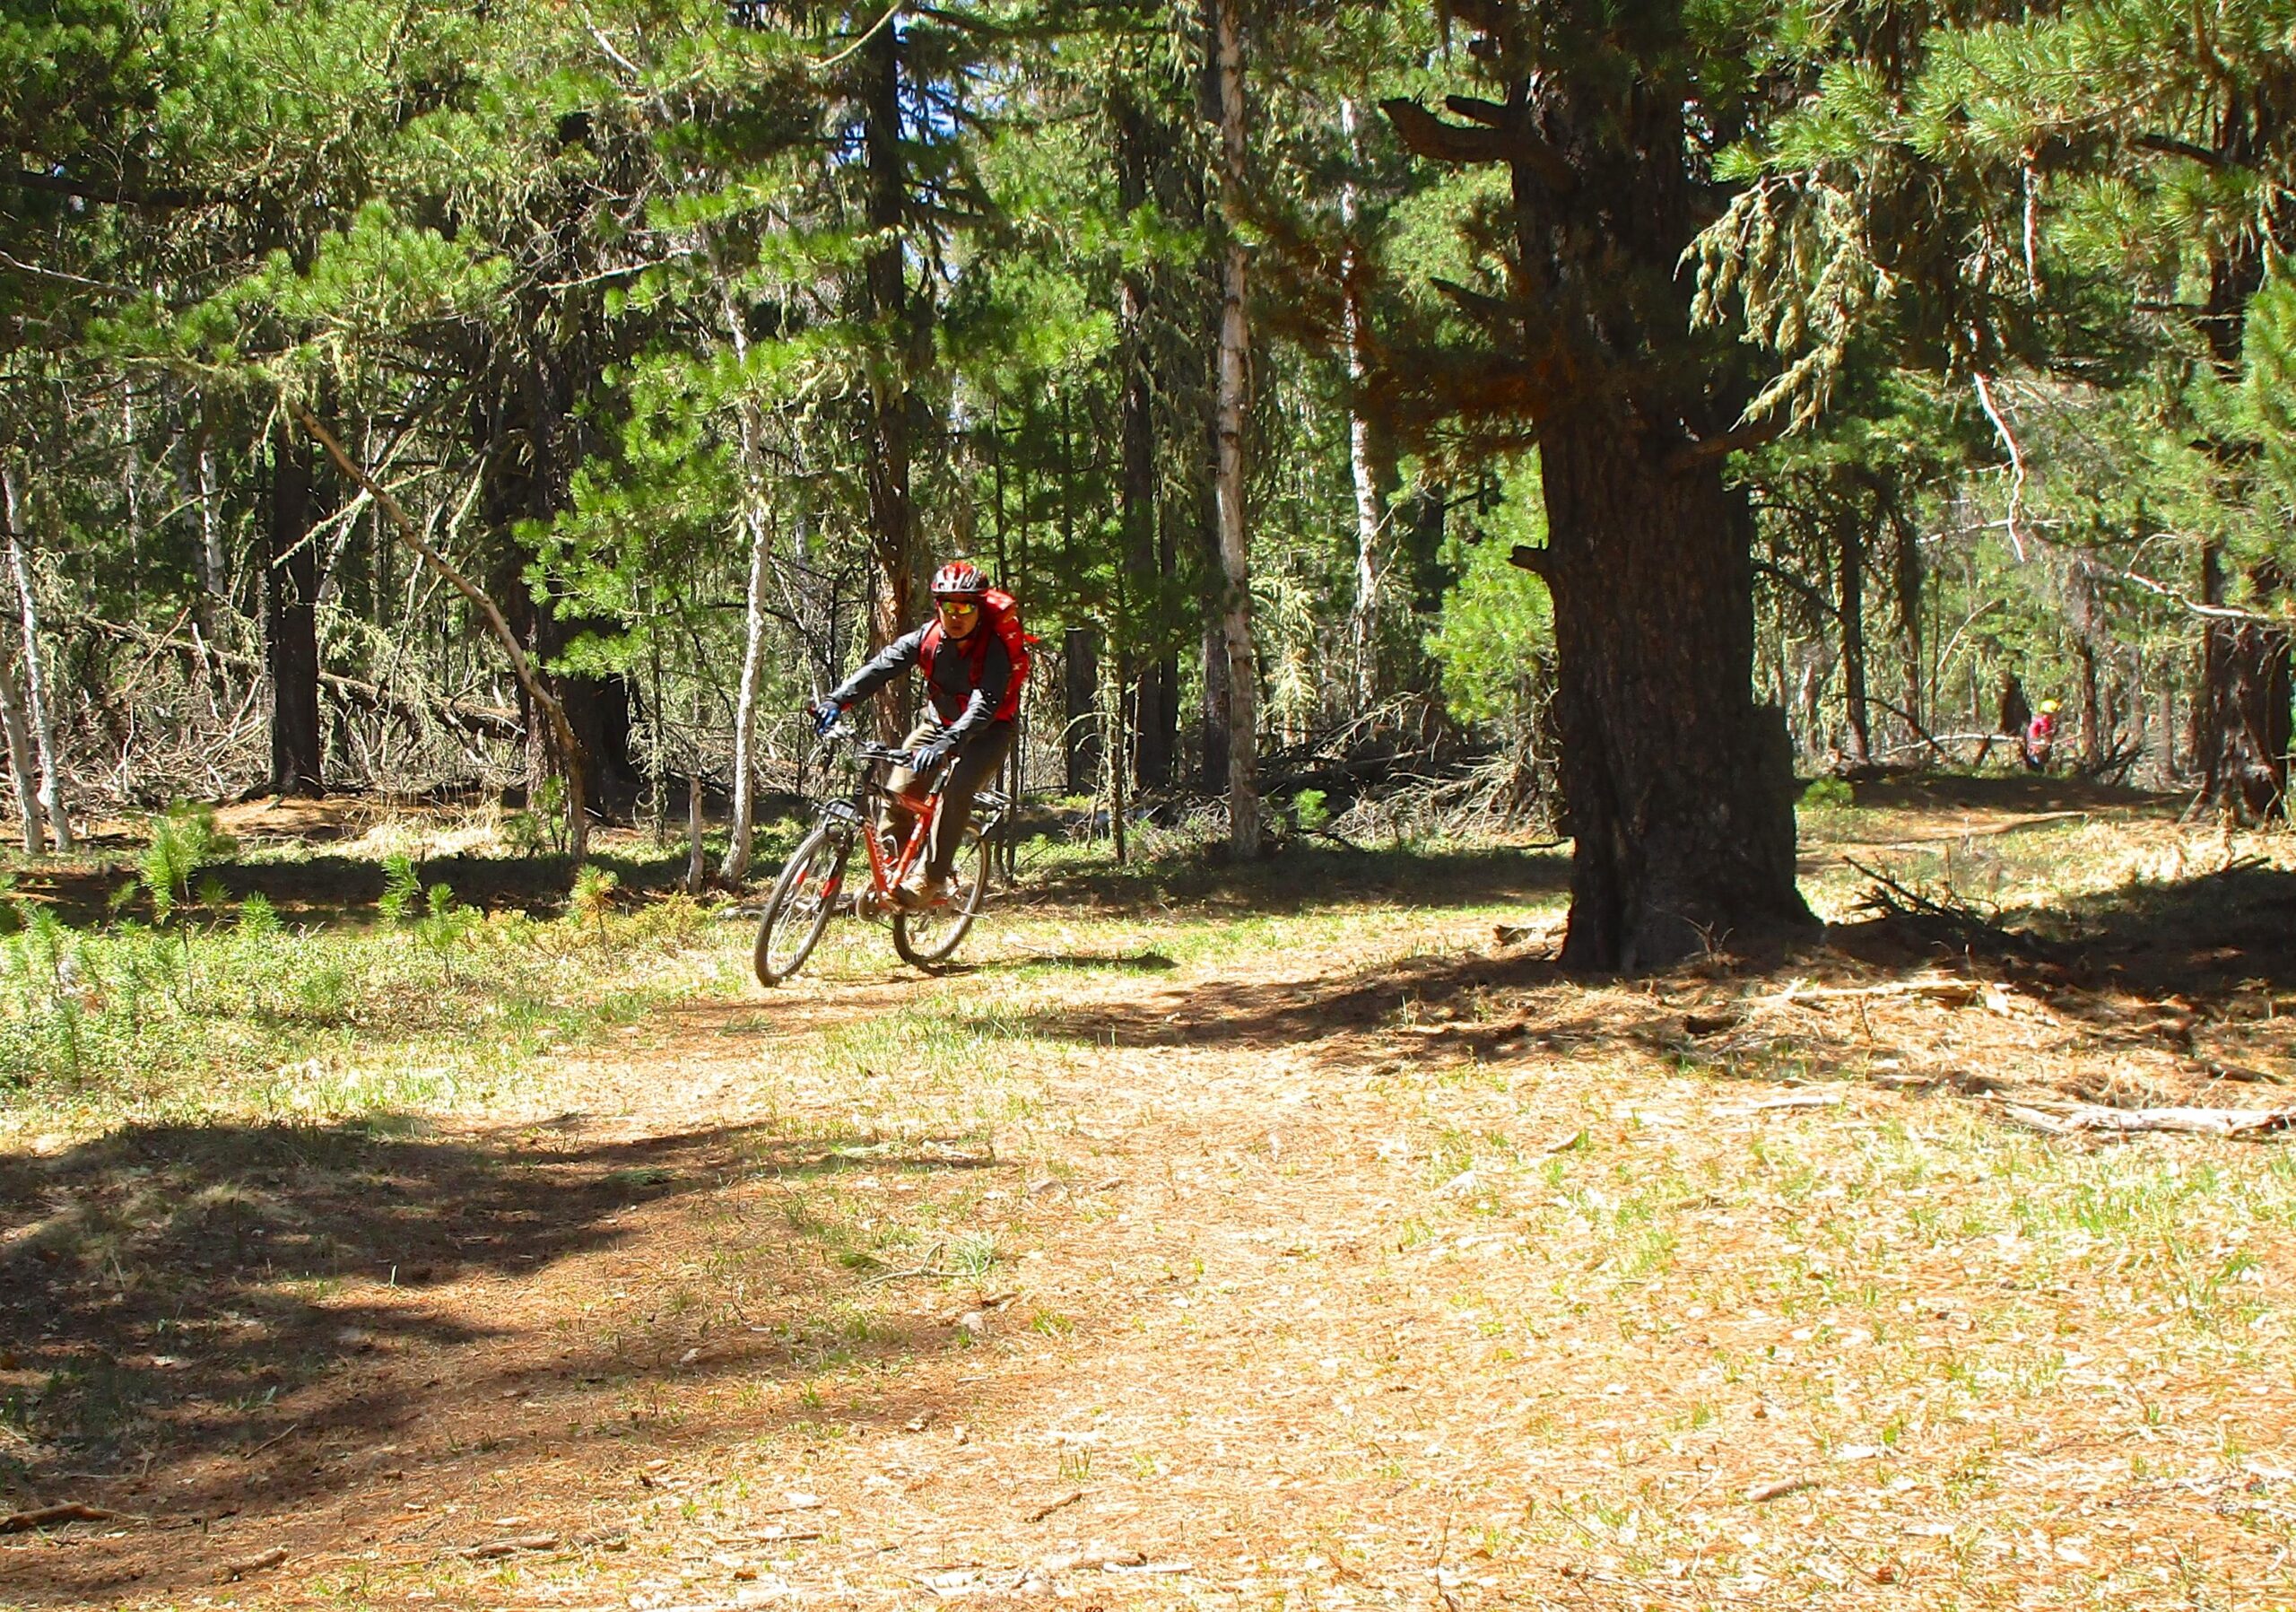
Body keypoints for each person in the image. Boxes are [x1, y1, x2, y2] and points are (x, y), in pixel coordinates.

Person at [809, 562, 1023, 907]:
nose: (956, 615)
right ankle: (896, 867)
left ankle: (930, 879)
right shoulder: (927, 638)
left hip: (987, 733)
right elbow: (881, 668)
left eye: (966, 606)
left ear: (979, 608)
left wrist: (947, 743)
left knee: (956, 793)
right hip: (937, 724)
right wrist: (837, 700)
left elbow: (982, 709)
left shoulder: (994, 650)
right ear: (938, 606)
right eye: (948, 606)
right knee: (898, 791)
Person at [2024, 699, 2059, 771]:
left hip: (2035, 746)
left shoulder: (2038, 719)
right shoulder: (2043, 720)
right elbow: (2046, 734)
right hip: (2038, 747)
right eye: (2055, 712)